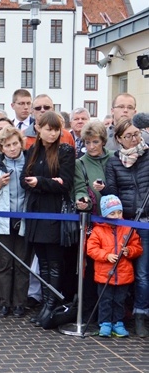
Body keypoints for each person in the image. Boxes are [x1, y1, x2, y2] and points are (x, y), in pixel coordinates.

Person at [21, 110, 75, 328]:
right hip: (35, 211)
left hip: (53, 211)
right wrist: (40, 182)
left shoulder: (65, 150)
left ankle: (51, 305)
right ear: (39, 130)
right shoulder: (33, 150)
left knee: (53, 261)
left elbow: (66, 183)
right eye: (48, 130)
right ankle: (45, 304)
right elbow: (24, 180)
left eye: (56, 130)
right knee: (42, 262)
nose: (52, 134)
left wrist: (41, 183)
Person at [105, 118, 149, 337]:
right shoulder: (113, 162)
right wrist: (103, 191)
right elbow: (113, 191)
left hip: (146, 221)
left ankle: (141, 312)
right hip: (126, 222)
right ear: (119, 139)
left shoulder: (148, 155)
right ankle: (119, 315)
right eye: (129, 136)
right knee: (125, 271)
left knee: (143, 273)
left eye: (137, 134)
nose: (135, 139)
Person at [0, 125, 30, 317]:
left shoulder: (29, 161)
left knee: (22, 264)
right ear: (1, 147)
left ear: (21, 143)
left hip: (25, 218)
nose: (12, 148)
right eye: (7, 145)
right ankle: (5, 303)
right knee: (4, 264)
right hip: (2, 220)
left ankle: (19, 303)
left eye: (15, 144)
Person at [73, 119, 113, 321]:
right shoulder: (80, 163)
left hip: (116, 221)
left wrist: (105, 188)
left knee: (114, 267)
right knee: (91, 267)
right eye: (87, 143)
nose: (91, 147)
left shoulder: (114, 158)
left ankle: (112, 313)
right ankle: (90, 311)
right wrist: (83, 201)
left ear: (103, 141)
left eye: (95, 142)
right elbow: (80, 188)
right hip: (93, 222)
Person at [87, 195, 142, 338]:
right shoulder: (98, 230)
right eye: (112, 213)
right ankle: (104, 323)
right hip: (104, 274)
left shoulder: (128, 228)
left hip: (124, 274)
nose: (117, 216)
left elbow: (137, 247)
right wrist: (106, 255)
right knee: (105, 300)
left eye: (119, 212)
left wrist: (129, 251)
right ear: (105, 214)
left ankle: (118, 322)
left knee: (119, 300)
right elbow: (91, 249)